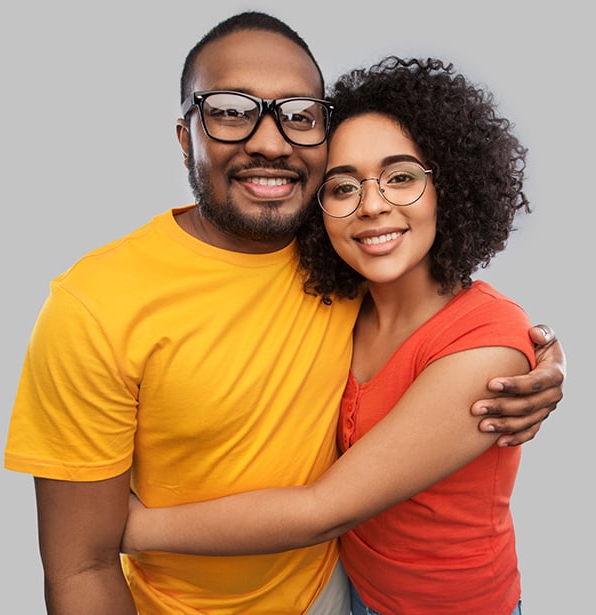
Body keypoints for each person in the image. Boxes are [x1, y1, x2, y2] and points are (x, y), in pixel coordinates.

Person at [4, 11, 565, 615]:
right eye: (228, 109)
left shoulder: (340, 262)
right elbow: (78, 568)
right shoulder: (100, 305)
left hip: (350, 593)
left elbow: (451, 321)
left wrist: (540, 359)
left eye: (298, 116)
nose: (270, 142)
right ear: (184, 134)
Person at [122, 54, 537, 614]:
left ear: (451, 186)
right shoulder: (342, 304)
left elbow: (325, 510)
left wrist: (132, 527)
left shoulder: (485, 346)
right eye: (342, 188)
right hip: (347, 590)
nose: (371, 206)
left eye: (401, 177)